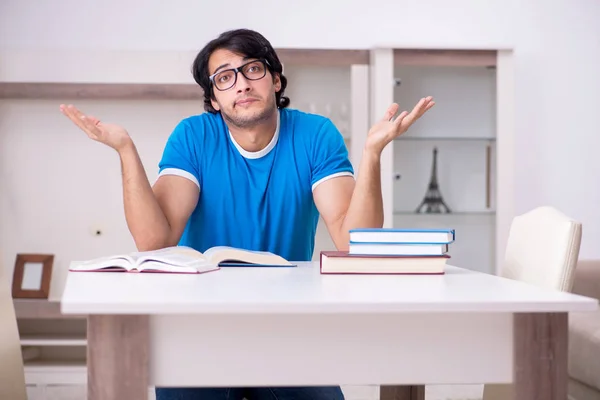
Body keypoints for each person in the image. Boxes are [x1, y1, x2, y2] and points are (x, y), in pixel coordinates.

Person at [60, 28, 434, 400]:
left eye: (252, 69)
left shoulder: (316, 134)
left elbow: (353, 244)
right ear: (213, 99)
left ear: (275, 79)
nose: (241, 84)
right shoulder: (193, 136)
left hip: (288, 329)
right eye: (224, 78)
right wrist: (125, 150)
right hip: (198, 329)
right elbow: (155, 240)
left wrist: (371, 156)